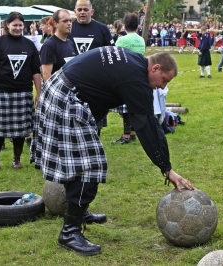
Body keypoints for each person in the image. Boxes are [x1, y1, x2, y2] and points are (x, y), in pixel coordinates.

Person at [31, 47, 195, 256]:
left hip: (61, 88)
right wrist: (167, 168)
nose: (161, 87)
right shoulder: (136, 78)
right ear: (155, 68)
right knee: (89, 166)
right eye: (164, 80)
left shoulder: (135, 61)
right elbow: (146, 126)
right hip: (65, 97)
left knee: (84, 160)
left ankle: (78, 214)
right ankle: (69, 232)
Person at [0, 12, 41, 170]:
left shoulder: (29, 45)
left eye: (20, 25)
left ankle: (17, 160)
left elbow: (35, 71)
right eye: (14, 25)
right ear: (7, 25)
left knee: (20, 130)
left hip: (23, 92)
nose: (18, 28)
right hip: (1, 91)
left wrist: (39, 93)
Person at [68, 0, 114, 136]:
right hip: (72, 81)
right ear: (75, 11)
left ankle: (94, 150)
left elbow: (112, 54)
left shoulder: (102, 29)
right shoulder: (68, 28)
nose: (82, 12)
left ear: (91, 12)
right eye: (80, 9)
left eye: (85, 9)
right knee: (71, 121)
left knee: (95, 120)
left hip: (96, 83)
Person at [111, 12, 146, 144]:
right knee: (132, 106)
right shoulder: (141, 39)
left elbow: (114, 58)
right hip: (138, 75)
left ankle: (126, 136)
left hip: (124, 76)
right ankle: (132, 133)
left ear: (124, 26)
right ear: (137, 26)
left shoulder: (121, 40)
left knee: (125, 109)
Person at [40, 9, 76, 82]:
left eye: (70, 21)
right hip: (57, 91)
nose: (69, 23)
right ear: (55, 24)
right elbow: (46, 75)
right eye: (65, 21)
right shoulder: (49, 45)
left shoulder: (70, 43)